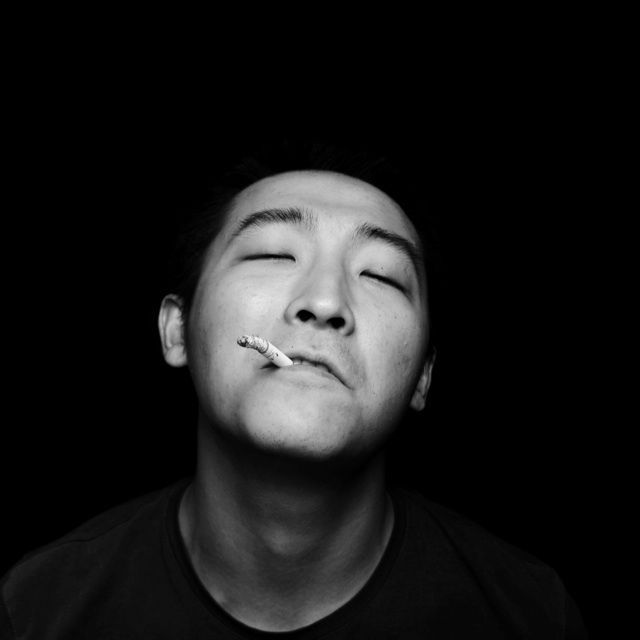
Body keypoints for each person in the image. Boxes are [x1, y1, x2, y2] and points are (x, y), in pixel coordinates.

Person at [1, 139, 587, 638]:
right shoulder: (34, 610)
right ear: (177, 330)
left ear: (424, 376)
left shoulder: (533, 617)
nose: (326, 301)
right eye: (273, 253)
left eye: (380, 274)